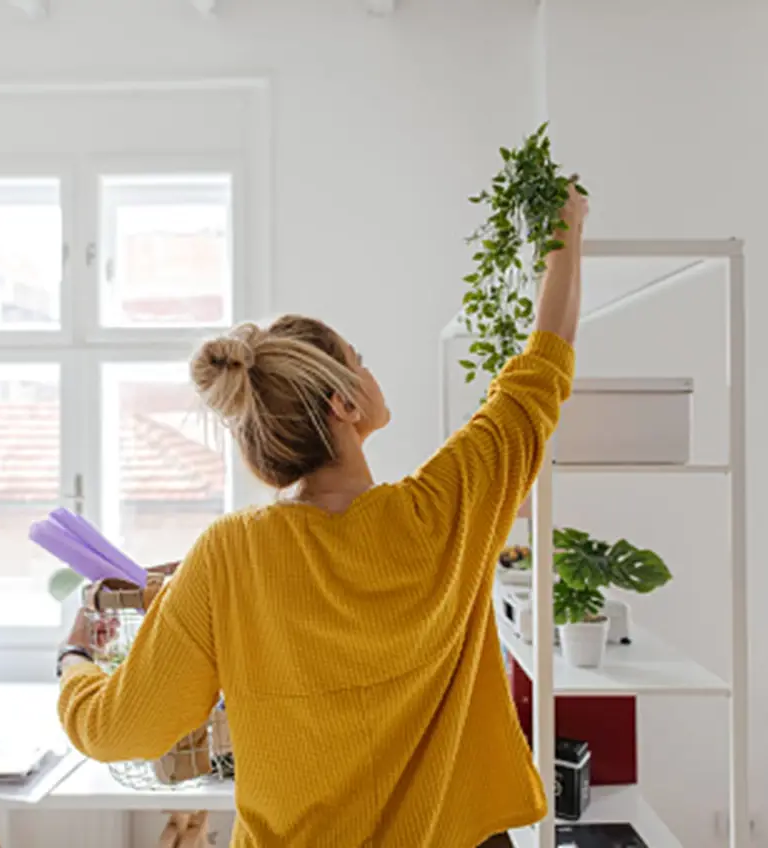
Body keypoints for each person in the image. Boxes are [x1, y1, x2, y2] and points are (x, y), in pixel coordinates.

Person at [56, 184, 588, 847]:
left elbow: (119, 731)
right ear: (342, 402)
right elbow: (541, 369)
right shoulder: (447, 508)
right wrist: (566, 231)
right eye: (360, 362)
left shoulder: (229, 554)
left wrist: (74, 660)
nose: (371, 370)